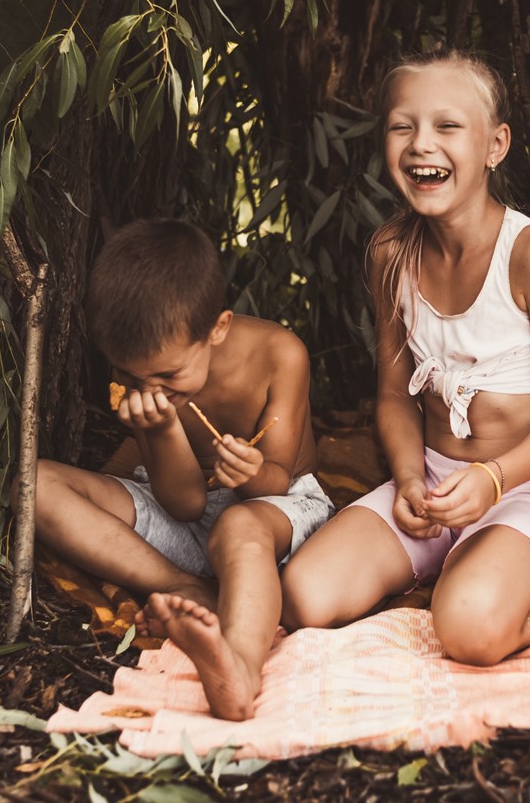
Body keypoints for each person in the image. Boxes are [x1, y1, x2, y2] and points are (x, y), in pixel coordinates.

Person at [281, 51, 530, 665]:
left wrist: (492, 478)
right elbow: (395, 394)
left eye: (448, 127)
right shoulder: (391, 252)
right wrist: (405, 481)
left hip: (523, 486)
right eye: (403, 126)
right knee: (303, 597)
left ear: (495, 145)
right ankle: (454, 567)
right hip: (428, 482)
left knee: (468, 632)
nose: (422, 144)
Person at [23, 218, 334, 720]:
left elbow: (279, 476)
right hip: (184, 508)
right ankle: (183, 586)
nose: (152, 389)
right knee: (34, 484)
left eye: (168, 375)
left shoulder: (281, 354)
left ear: (219, 328)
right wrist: (163, 431)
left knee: (237, 523)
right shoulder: (146, 379)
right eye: (130, 376)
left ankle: (240, 667)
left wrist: (251, 471)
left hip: (271, 510)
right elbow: (185, 503)